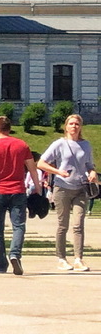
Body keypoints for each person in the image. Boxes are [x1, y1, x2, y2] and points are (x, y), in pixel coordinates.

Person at [0, 115, 42, 275]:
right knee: (19, 226)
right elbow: (32, 168)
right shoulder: (21, 145)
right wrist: (37, 187)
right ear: (10, 128)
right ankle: (15, 254)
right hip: (18, 190)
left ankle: (1, 264)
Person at [40, 114, 98, 271]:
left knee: (79, 224)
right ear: (66, 127)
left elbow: (89, 164)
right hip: (62, 188)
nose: (74, 126)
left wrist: (92, 172)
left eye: (77, 124)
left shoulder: (86, 145)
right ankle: (61, 258)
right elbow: (41, 163)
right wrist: (57, 171)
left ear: (81, 127)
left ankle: (79, 258)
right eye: (71, 124)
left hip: (80, 188)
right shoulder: (59, 144)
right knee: (63, 225)